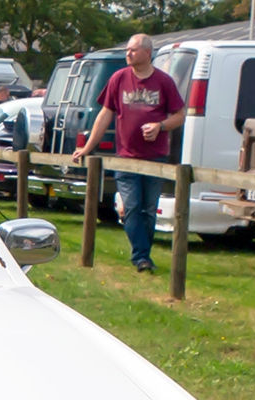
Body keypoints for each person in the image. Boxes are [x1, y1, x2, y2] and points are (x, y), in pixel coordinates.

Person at [72, 33, 186, 273]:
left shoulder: (163, 82)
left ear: (147, 53)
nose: (128, 54)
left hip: (155, 157)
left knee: (148, 209)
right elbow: (105, 114)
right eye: (127, 50)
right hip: (126, 156)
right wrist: (88, 146)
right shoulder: (118, 78)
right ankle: (141, 257)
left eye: (133, 50)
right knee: (132, 206)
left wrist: (160, 126)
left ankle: (143, 255)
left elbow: (180, 115)